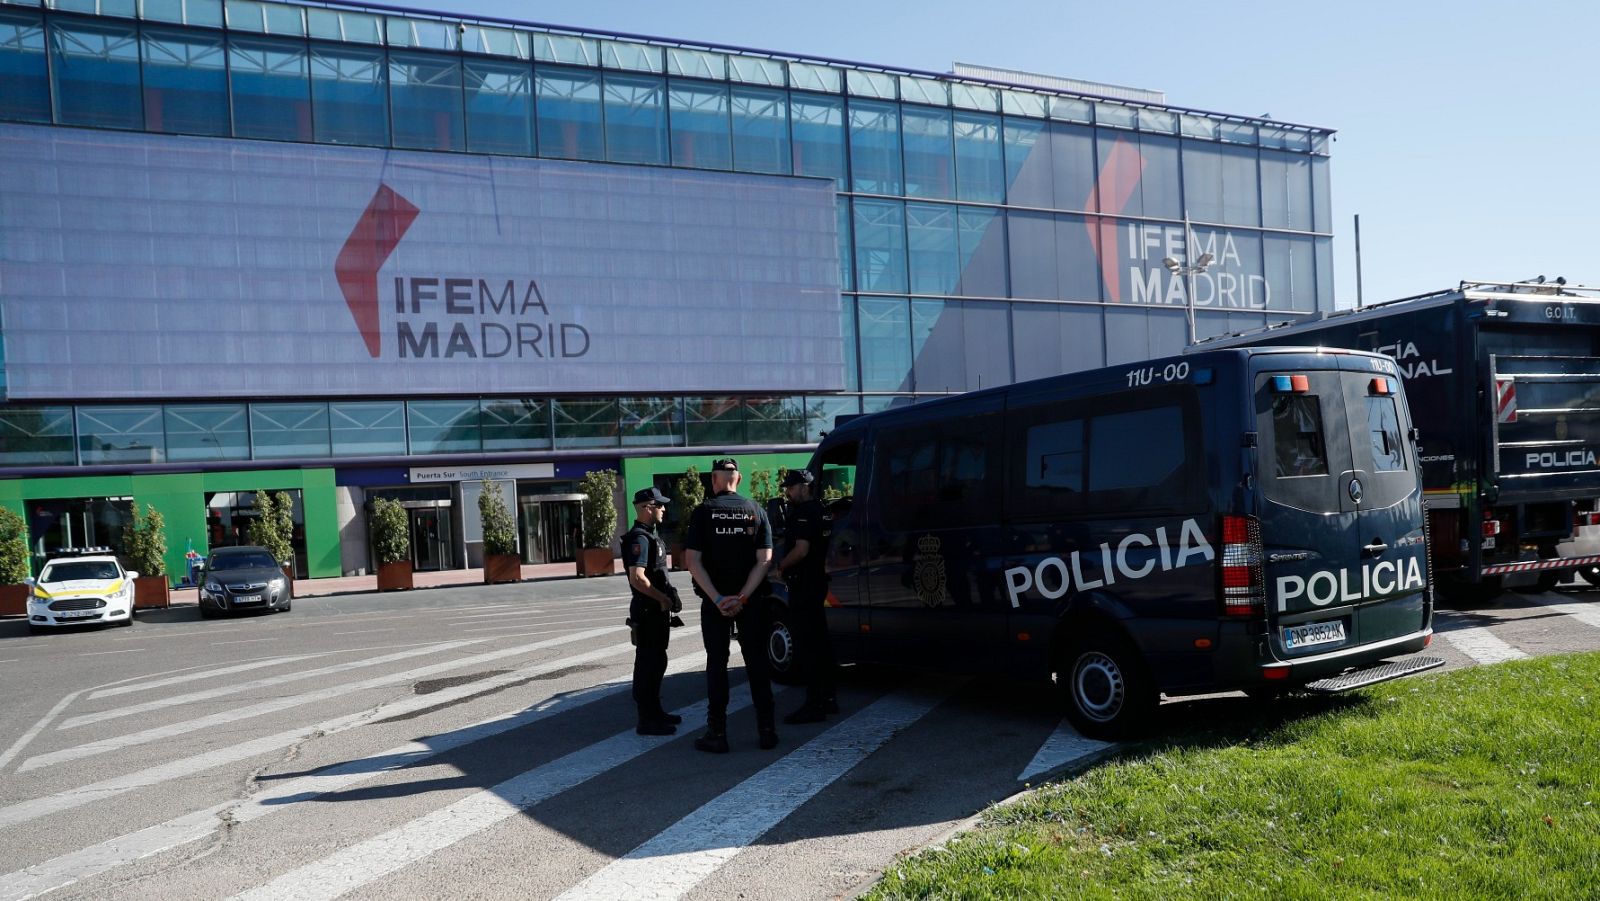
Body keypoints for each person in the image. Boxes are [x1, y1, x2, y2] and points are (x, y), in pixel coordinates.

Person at [684, 457, 777, 753]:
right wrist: (744, 596)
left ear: (714, 480)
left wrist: (718, 599)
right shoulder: (756, 510)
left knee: (717, 665)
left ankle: (717, 733)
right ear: (738, 479)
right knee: (757, 664)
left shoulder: (703, 512)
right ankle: (767, 730)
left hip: (716, 603)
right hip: (751, 602)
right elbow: (765, 560)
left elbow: (692, 560)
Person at [771, 469, 838, 724]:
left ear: (804, 487)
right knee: (821, 642)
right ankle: (829, 697)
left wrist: (781, 567)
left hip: (804, 585)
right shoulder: (822, 510)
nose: (788, 491)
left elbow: (800, 550)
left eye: (791, 487)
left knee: (807, 645)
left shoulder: (802, 514)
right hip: (818, 582)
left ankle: (814, 704)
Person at [623, 487, 682, 736]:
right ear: (648, 507)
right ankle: (646, 720)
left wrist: (670, 594)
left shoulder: (649, 536)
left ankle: (656, 712)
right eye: (660, 505)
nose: (664, 509)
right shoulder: (640, 539)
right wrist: (662, 599)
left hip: (654, 611)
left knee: (657, 661)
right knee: (648, 664)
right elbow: (638, 578)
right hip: (648, 611)